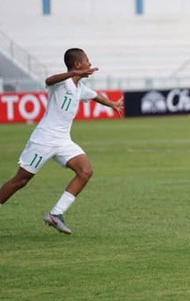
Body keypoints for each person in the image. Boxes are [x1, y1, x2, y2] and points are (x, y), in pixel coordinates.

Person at [0, 48, 124, 234]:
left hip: (63, 141)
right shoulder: (61, 83)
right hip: (44, 140)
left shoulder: (80, 88)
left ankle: (55, 214)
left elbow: (96, 96)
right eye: (87, 61)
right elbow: (48, 80)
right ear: (77, 64)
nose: (90, 64)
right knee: (21, 180)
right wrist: (73, 74)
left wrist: (113, 104)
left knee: (85, 171)